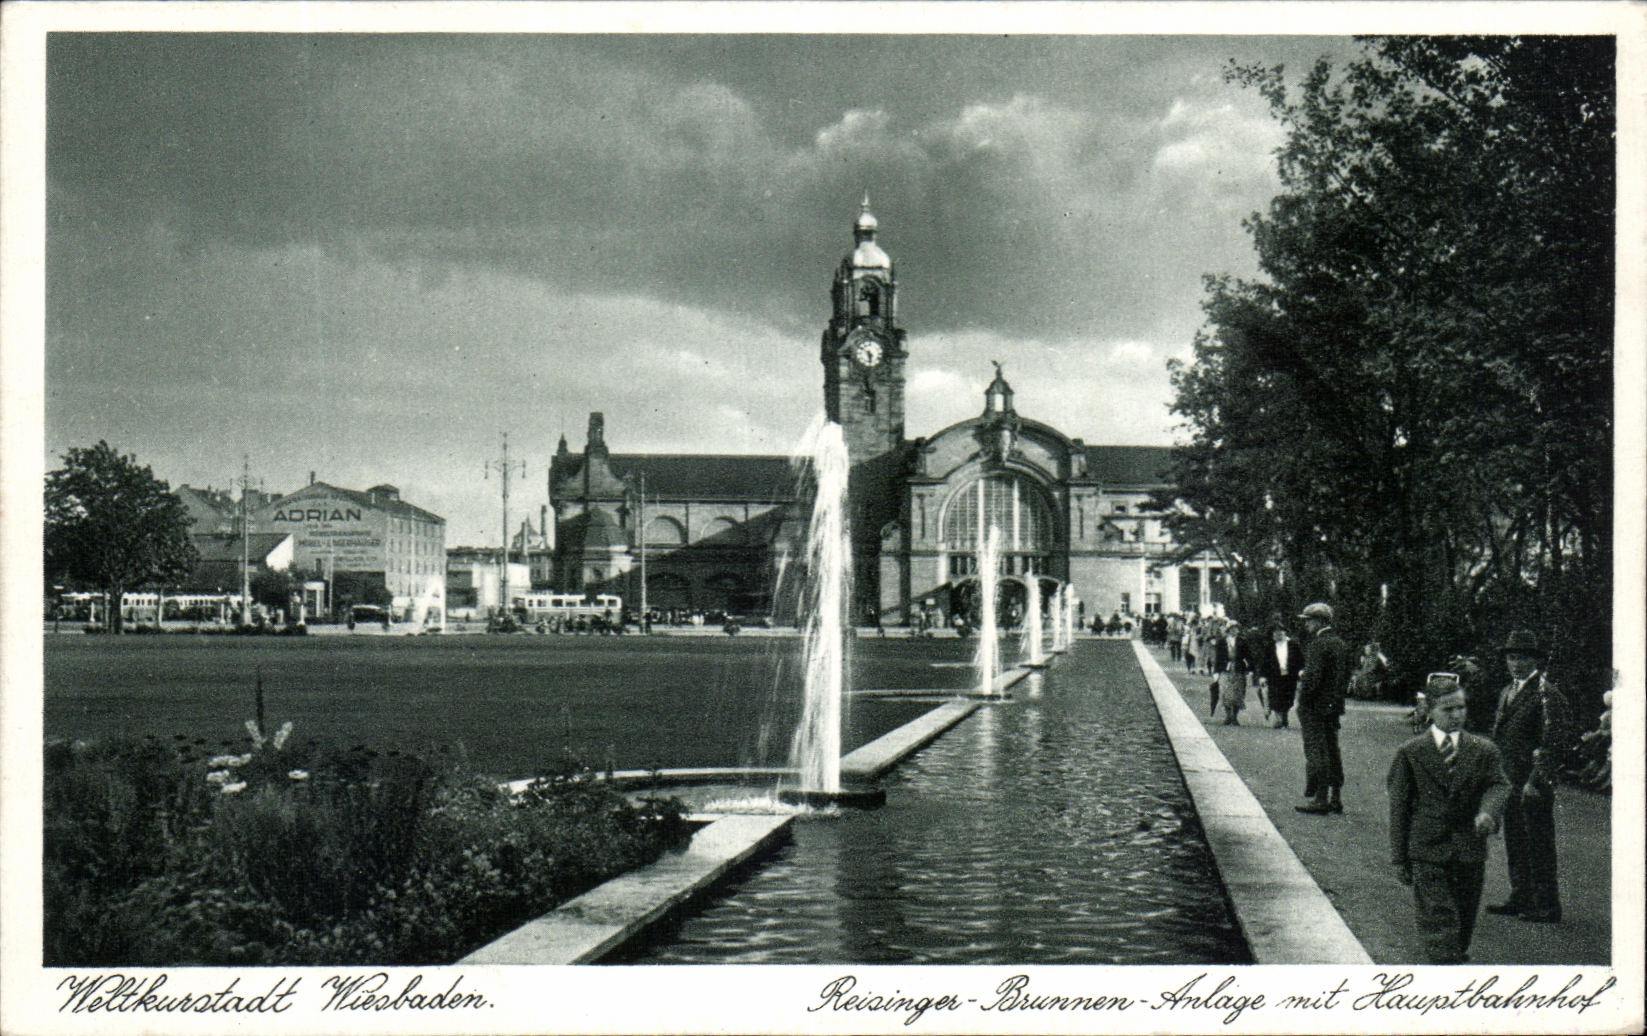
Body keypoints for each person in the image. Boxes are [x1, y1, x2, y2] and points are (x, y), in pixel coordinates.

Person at [1386, 674, 1510, 964]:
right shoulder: (1411, 752)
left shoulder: (1483, 750)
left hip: (1469, 846)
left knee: (1465, 914)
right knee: (1438, 914)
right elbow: (1399, 807)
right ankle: (1445, 961)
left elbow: (1499, 784)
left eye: (1461, 708)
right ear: (1429, 710)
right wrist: (1399, 857)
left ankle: (1453, 954)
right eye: (1447, 709)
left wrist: (1488, 812)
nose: (1456, 715)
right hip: (1427, 847)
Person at [1486, 630, 1571, 923]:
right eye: (1511, 657)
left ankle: (1547, 904)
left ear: (1535, 660)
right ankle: (1521, 895)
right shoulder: (1507, 691)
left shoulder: (1547, 693)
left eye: (1522, 657)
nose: (1516, 663)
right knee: (1515, 838)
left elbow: (1553, 741)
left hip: (1533, 781)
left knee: (1538, 841)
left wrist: (1537, 780)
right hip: (1510, 778)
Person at [1295, 602, 1351, 815]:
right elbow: (1344, 676)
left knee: (1317, 751)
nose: (1306, 624)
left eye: (1308, 620)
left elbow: (1313, 678)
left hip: (1314, 706)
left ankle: (1320, 798)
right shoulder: (1340, 643)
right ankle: (1336, 797)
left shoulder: (1318, 644)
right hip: (1333, 705)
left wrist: (1303, 687)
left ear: (1319, 621)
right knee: (1332, 749)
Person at [1257, 613, 1304, 728]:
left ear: (1285, 632)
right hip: (1274, 676)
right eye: (1275, 632)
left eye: (1280, 632)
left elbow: (1300, 660)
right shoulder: (1270, 647)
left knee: (1288, 698)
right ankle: (1279, 719)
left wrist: (1301, 671)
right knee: (1275, 697)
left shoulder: (1293, 645)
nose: (1277, 634)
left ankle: (1284, 717)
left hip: (1290, 676)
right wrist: (1262, 676)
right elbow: (1264, 663)